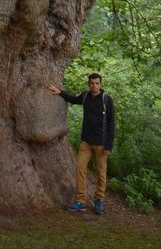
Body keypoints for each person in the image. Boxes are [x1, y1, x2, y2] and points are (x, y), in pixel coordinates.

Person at [48, 73, 115, 215]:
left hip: (101, 144)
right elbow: (73, 99)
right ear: (88, 84)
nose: (94, 86)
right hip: (86, 143)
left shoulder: (106, 100)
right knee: (79, 168)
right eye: (92, 83)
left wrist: (108, 146)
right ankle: (80, 202)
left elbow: (111, 124)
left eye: (97, 83)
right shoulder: (85, 97)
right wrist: (60, 92)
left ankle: (99, 200)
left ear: (101, 84)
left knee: (101, 173)